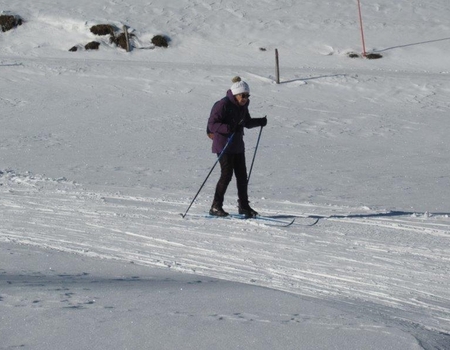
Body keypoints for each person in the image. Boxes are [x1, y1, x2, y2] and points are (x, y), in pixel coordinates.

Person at [207, 76, 267, 217]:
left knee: (242, 176)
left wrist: (260, 122)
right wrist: (229, 128)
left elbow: (246, 122)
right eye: (243, 95)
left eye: (247, 95)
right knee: (226, 175)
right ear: (236, 94)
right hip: (223, 145)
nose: (245, 98)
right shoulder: (222, 105)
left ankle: (244, 207)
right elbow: (212, 125)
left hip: (237, 145)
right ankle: (216, 206)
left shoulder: (243, 106)